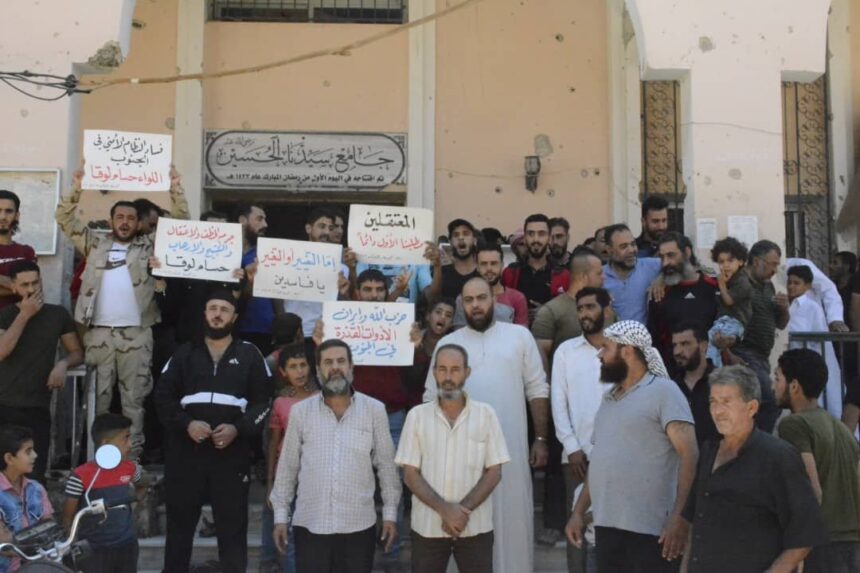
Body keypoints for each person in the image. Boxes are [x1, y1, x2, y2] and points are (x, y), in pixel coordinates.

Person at [56, 164, 189, 458]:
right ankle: (97, 459)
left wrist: (175, 187)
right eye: (120, 217)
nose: (125, 223)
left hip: (137, 334)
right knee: (97, 402)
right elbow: (63, 218)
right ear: (111, 221)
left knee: (134, 401)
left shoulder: (148, 246)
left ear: (139, 223)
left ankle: (132, 462)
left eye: (130, 218)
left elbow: (180, 222)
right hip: (99, 335)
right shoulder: (94, 244)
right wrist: (77, 186)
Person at [424, 277, 550, 573]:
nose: (476, 305)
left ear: (493, 299)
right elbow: (431, 397)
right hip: (458, 455)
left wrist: (541, 439)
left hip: (510, 451)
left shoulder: (519, 337)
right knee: (464, 523)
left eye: (481, 298)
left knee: (512, 520)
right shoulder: (448, 344)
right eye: (469, 300)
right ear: (461, 305)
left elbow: (537, 389)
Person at [566, 320, 698, 573]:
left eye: (606, 347)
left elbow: (689, 455)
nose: (599, 354)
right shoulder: (608, 399)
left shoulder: (664, 391)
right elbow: (599, 461)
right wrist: (578, 512)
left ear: (627, 351)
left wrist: (680, 517)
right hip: (607, 527)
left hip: (652, 531)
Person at [155, 290, 272, 573]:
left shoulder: (250, 354)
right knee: (179, 528)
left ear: (234, 317)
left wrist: (238, 429)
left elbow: (264, 403)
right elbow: (162, 398)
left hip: (231, 455)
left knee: (232, 530)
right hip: (186, 455)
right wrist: (187, 424)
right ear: (204, 314)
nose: (218, 314)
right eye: (213, 308)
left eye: (224, 309)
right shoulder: (183, 353)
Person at [681, 366, 828, 573]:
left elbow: (805, 534)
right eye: (713, 402)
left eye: (726, 402)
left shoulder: (777, 457)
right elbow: (696, 523)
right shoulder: (708, 450)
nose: (717, 411)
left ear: (751, 408)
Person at [270, 339, 400, 573]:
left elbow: (387, 466)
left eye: (341, 361)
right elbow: (288, 467)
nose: (335, 367)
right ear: (318, 370)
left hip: (358, 526)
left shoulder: (374, 410)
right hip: (311, 525)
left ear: (351, 367)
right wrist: (281, 516)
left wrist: (390, 514)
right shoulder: (301, 412)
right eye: (328, 362)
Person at [396, 344, 510, 573]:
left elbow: (494, 471)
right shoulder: (417, 416)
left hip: (475, 527)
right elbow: (409, 474)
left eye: (455, 370)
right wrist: (445, 510)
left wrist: (461, 511)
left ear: (467, 373)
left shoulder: (486, 414)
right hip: (427, 528)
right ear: (434, 372)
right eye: (442, 369)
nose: (448, 377)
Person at [773, 348, 860, 572]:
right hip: (852, 545)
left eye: (777, 378)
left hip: (821, 548)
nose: (774, 386)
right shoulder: (842, 429)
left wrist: (796, 551)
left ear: (794, 386)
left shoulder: (793, 425)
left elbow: (812, 493)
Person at [0, 261, 83, 480]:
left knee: (35, 475)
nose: (31, 289)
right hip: (4, 405)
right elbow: (2, 351)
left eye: (35, 283)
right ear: (13, 287)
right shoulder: (5, 315)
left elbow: (76, 352)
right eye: (24, 285)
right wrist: (24, 315)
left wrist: (63, 364)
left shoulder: (57, 314)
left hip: (37, 407)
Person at [551, 287, 613, 573]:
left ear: (606, 310)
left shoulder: (621, 350)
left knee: (611, 529)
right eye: (580, 308)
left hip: (616, 458)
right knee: (576, 529)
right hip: (577, 458)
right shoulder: (566, 351)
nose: (584, 314)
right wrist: (572, 447)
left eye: (590, 307)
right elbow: (558, 402)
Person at [261, 344, 319, 573]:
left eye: (303, 365)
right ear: (283, 372)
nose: (300, 371)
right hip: (288, 474)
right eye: (293, 367)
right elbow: (274, 443)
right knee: (289, 533)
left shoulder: (323, 397)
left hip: (315, 474)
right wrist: (270, 482)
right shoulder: (281, 402)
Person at [62, 414, 144, 573]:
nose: (130, 444)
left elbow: (142, 484)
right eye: (125, 438)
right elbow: (67, 518)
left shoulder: (130, 468)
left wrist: (137, 498)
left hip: (127, 546)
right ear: (105, 444)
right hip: (94, 550)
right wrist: (70, 546)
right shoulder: (80, 475)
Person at [722, 240, 788, 433]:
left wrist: (784, 308)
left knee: (760, 404)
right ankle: (757, 442)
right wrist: (728, 353)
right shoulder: (739, 282)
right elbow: (721, 318)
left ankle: (750, 440)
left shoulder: (768, 286)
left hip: (762, 358)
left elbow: (781, 323)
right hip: (744, 353)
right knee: (770, 401)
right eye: (772, 264)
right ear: (757, 261)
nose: (774, 270)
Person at [283, 208, 355, 343]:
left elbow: (345, 305)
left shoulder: (341, 269)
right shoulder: (286, 260)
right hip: (293, 335)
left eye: (330, 228)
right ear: (308, 228)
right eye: (322, 227)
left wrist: (343, 293)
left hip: (325, 335)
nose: (327, 232)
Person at [647, 232, 719, 368]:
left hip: (712, 370)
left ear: (687, 252)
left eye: (671, 255)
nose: (665, 263)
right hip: (673, 372)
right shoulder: (659, 293)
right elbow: (654, 340)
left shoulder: (713, 287)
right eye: (662, 257)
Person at [787, 265, 843, 418]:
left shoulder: (812, 308)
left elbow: (819, 338)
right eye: (789, 282)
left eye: (796, 283)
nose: (791, 286)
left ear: (807, 286)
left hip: (806, 363)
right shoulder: (784, 305)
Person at [532, 250, 606, 365]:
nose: (604, 277)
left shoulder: (606, 308)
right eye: (599, 273)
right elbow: (539, 358)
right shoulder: (551, 311)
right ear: (584, 277)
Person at [0, 425, 53, 573]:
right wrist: (40, 540)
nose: (35, 455)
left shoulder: (37, 489)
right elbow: (4, 544)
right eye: (28, 451)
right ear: (9, 458)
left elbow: (50, 528)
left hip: (38, 567)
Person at [501, 214, 570, 323]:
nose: (536, 239)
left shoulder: (563, 275)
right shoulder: (510, 273)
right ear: (525, 238)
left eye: (541, 234)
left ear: (549, 238)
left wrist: (547, 312)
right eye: (531, 234)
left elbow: (569, 313)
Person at [453, 243, 528, 327]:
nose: (489, 268)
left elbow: (522, 333)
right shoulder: (464, 299)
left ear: (502, 265)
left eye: (493, 263)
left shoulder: (517, 298)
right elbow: (460, 332)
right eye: (484, 264)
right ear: (477, 267)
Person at [706, 237, 753, 367]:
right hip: (723, 321)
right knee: (712, 339)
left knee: (715, 341)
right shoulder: (728, 279)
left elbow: (729, 301)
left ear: (741, 261)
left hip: (734, 322)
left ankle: (714, 367)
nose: (725, 265)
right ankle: (714, 365)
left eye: (730, 260)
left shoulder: (742, 281)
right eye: (721, 262)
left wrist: (721, 285)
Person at [670, 322, 720, 445]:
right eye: (675, 345)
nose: (677, 351)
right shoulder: (669, 386)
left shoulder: (722, 382)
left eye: (685, 344)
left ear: (703, 346)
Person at [602, 224, 661, 324]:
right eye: (623, 246)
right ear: (609, 250)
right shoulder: (599, 276)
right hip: (611, 333)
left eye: (633, 244)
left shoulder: (651, 266)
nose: (631, 250)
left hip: (644, 333)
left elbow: (680, 265)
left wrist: (662, 279)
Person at [235, 204, 275, 354]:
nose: (265, 224)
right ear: (242, 220)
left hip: (264, 331)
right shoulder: (224, 252)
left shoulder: (269, 254)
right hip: (232, 329)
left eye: (265, 219)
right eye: (259, 219)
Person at [403, 298, 455, 408]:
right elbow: (407, 378)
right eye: (438, 312)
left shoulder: (454, 348)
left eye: (448, 315)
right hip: (409, 406)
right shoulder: (410, 339)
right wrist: (417, 349)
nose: (443, 317)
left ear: (451, 323)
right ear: (428, 316)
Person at [0, 190, 36, 310]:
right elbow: (28, 289)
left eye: (8, 211)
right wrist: (21, 286)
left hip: (22, 317)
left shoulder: (26, 251)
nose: (3, 216)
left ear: (17, 215)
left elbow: (34, 289)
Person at [435, 219, 480, 300]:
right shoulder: (443, 271)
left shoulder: (482, 270)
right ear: (450, 242)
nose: (461, 237)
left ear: (474, 240)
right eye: (456, 235)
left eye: (466, 234)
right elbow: (433, 299)